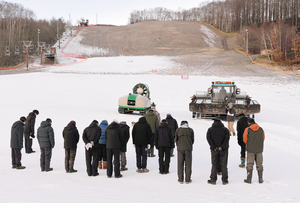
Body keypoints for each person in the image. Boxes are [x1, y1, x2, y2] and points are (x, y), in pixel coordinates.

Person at [207, 118, 230, 185]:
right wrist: (221, 147)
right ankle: (225, 180)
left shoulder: (210, 129)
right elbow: (227, 139)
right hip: (224, 149)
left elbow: (209, 139)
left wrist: (214, 147)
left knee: (214, 164)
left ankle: (213, 179)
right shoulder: (225, 130)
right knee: (224, 164)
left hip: (214, 150)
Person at [243, 118, 265, 184]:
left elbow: (245, 139)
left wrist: (250, 144)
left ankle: (249, 179)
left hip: (250, 149)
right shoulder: (261, 129)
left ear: (249, 123)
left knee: (250, 164)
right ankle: (260, 179)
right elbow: (263, 138)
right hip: (259, 149)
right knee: (259, 164)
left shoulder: (247, 129)